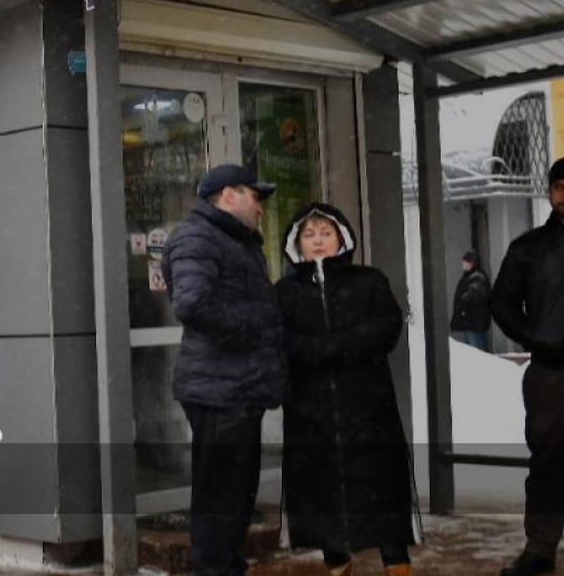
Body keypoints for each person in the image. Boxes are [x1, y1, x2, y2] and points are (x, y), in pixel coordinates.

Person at [161, 164, 286, 576]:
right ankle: (216, 569)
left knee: (237, 492)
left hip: (236, 387)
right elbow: (192, 304)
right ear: (229, 195)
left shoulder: (230, 239)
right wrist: (256, 325)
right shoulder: (198, 237)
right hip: (218, 390)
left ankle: (228, 565)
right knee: (221, 495)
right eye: (255, 196)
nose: (261, 208)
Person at [276, 204, 414, 576]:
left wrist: (338, 346)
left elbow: (387, 326)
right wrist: (313, 350)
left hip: (368, 407)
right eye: (309, 234)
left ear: (342, 238)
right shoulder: (285, 292)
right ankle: (337, 561)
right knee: (321, 490)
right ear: (296, 243)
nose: (318, 241)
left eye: (326, 233)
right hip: (310, 410)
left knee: (381, 487)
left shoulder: (369, 281)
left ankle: (396, 562)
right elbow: (278, 338)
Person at [491, 157, 564, 576]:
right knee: (548, 461)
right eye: (560, 187)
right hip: (549, 374)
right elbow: (501, 302)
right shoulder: (529, 248)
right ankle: (540, 548)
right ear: (550, 192)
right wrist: (533, 337)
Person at [450, 249, 491, 352]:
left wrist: (463, 300)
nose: (463, 264)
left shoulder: (477, 277)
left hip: (474, 322)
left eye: (465, 261)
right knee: (473, 350)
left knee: (478, 351)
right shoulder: (469, 276)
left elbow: (474, 296)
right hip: (470, 321)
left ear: (472, 263)